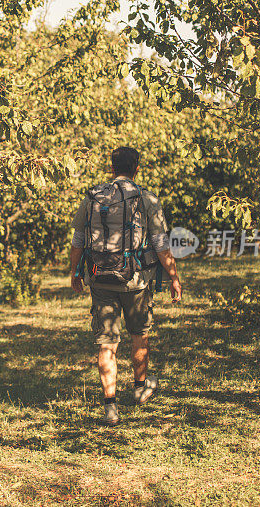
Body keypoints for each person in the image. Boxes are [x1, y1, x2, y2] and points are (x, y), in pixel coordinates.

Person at [69, 146, 182, 425]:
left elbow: (78, 241)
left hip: (100, 279)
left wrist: (75, 272)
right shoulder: (146, 199)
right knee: (139, 335)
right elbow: (160, 245)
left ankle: (110, 407)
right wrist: (173, 277)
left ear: (112, 168)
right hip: (136, 281)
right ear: (137, 168)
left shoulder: (93, 197)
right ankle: (140, 388)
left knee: (107, 343)